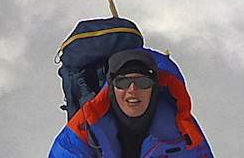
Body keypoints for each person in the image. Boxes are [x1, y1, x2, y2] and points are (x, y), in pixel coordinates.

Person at [48, 48, 214, 157]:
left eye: (142, 83)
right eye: (123, 83)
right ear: (112, 89)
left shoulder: (184, 133)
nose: (132, 90)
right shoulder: (83, 132)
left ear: (154, 88)